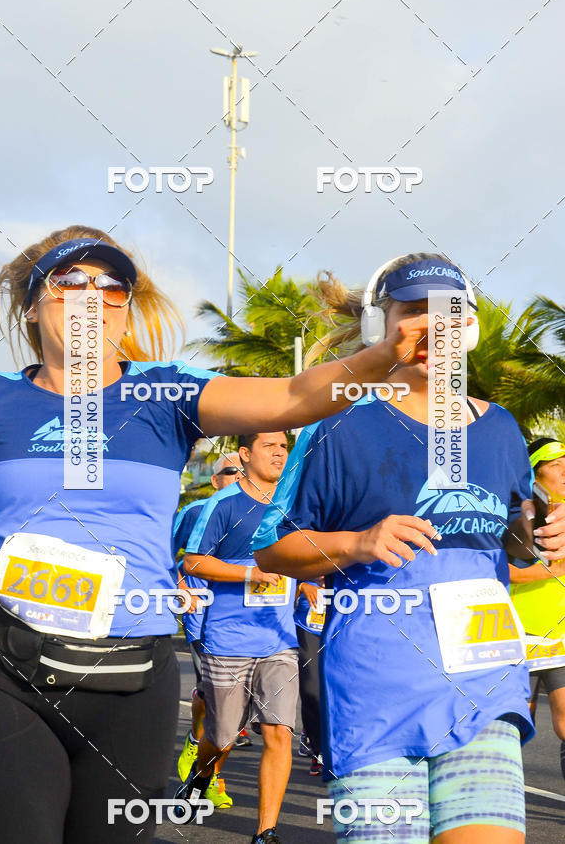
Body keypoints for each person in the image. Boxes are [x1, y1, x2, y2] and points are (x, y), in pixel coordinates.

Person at [0, 226, 426, 844]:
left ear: (124, 309)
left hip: (131, 678)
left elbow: (293, 396)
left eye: (111, 286)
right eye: (70, 282)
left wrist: (384, 354)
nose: (91, 295)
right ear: (33, 304)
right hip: (3, 667)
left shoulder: (163, 394)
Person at [253, 253, 565, 844]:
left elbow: (518, 542)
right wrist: (358, 542)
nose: (430, 327)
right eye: (412, 311)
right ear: (382, 327)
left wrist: (544, 532)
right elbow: (272, 548)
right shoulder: (339, 427)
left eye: (446, 313)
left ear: (467, 329)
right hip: (377, 687)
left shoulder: (499, 427)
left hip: (484, 681)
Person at [179, 432, 293, 844]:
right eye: (269, 446)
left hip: (280, 638)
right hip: (227, 638)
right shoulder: (221, 506)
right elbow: (193, 561)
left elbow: (307, 552)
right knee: (224, 735)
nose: (279, 452)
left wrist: (312, 578)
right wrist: (250, 572)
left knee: (278, 731)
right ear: (245, 454)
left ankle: (266, 832)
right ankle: (200, 772)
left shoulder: (294, 501)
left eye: (284, 446)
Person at [176, 450, 243, 808]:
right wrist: (179, 586)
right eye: (231, 471)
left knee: (232, 704)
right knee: (219, 700)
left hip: (255, 624)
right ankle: (211, 776)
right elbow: (167, 553)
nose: (238, 475)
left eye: (241, 470)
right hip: (205, 616)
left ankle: (195, 744)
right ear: (215, 480)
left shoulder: (269, 508)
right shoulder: (192, 512)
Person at [510, 437, 565, 780]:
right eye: (556, 465)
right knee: (515, 728)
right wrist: (547, 571)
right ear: (535, 472)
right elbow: (498, 569)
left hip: (560, 633)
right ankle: (499, 801)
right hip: (518, 634)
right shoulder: (518, 514)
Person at [293, 576, 325, 775]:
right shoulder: (302, 543)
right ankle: (319, 751)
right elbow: (280, 575)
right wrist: (303, 585)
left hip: (346, 620)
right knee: (311, 690)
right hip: (308, 624)